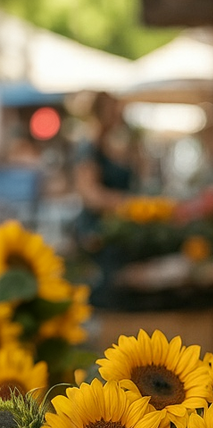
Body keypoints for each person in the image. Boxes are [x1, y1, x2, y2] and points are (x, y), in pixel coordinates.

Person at [72, 92, 139, 304]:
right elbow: (90, 194)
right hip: (99, 230)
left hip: (118, 227)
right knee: (106, 286)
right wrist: (126, 203)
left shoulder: (114, 145)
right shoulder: (88, 148)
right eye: (114, 109)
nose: (119, 115)